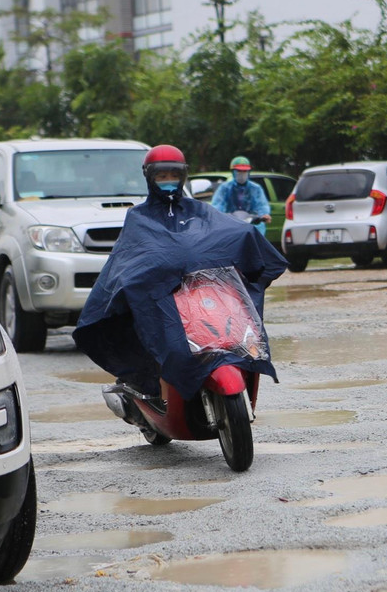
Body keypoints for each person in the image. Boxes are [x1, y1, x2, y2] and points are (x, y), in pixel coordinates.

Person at [74, 145, 288, 401]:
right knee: (173, 349)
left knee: (240, 340)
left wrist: (247, 237)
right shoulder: (139, 216)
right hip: (161, 298)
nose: (168, 182)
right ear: (150, 177)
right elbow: (131, 255)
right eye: (161, 177)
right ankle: (153, 392)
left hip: (201, 295)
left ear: (183, 176)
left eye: (173, 176)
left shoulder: (199, 210)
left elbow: (228, 231)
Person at [210, 155, 272, 236]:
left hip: (252, 226)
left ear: (249, 172)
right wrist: (215, 215)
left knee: (257, 242)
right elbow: (218, 204)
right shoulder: (225, 188)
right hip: (231, 225)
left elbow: (261, 204)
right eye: (239, 171)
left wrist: (264, 215)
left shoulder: (256, 188)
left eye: (245, 171)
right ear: (233, 172)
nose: (242, 174)